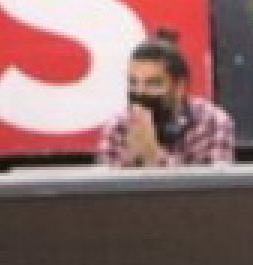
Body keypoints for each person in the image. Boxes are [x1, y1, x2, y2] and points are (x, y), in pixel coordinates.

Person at [96, 30, 235, 169]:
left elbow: (214, 181)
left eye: (153, 83)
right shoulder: (118, 126)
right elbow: (110, 181)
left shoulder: (212, 122)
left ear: (179, 87)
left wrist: (153, 155)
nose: (140, 92)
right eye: (133, 82)